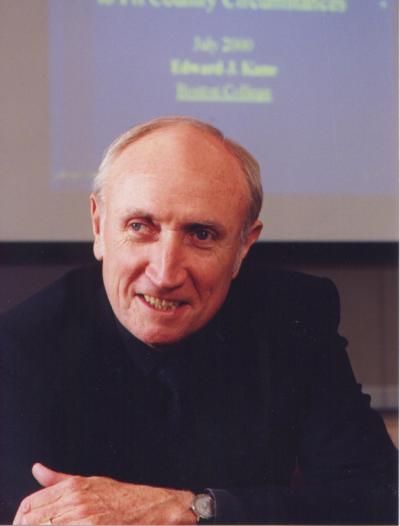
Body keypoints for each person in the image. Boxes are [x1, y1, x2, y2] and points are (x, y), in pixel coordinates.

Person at [0, 116, 397, 525]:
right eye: (139, 227)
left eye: (201, 235)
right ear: (99, 226)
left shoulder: (295, 316)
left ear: (244, 245)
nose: (165, 274)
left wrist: (195, 508)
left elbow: (378, 497)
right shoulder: (20, 349)